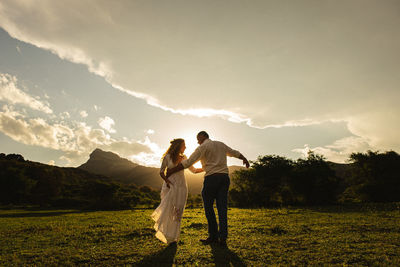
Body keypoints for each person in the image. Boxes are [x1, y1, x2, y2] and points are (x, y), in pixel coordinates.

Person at [167, 131, 249, 247]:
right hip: (224, 178)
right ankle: (223, 238)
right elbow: (233, 152)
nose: (197, 141)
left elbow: (188, 162)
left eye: (198, 138)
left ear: (203, 136)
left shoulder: (202, 147)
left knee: (208, 207)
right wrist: (244, 158)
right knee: (222, 208)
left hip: (212, 179)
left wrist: (172, 170)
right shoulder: (220, 144)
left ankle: (213, 236)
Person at [151, 138, 203, 245]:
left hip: (182, 187)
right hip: (170, 186)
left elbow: (194, 170)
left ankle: (174, 237)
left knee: (178, 212)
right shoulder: (167, 157)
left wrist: (206, 167)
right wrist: (167, 182)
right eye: (184, 145)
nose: (185, 147)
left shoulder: (184, 158)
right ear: (179, 146)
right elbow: (161, 172)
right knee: (169, 210)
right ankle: (166, 233)